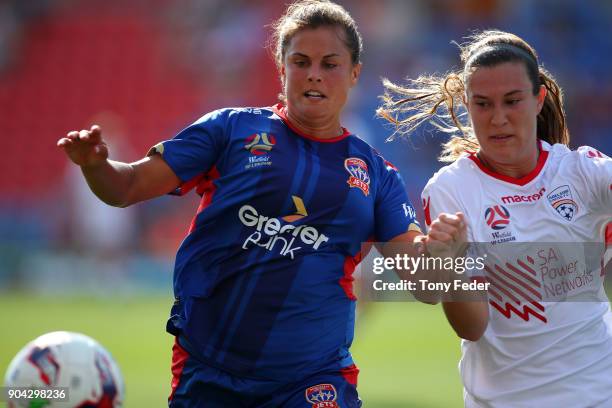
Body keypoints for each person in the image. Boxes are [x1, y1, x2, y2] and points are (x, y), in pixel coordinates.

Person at [57, 1, 478, 407]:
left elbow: (425, 285)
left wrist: (444, 254)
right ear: (282, 68)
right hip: (208, 370)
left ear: (354, 73)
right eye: (301, 62)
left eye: (330, 64)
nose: (314, 75)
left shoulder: (376, 176)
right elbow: (126, 187)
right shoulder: (230, 130)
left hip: (314, 381)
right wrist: (96, 166)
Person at [378, 29, 612, 407]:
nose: (498, 118)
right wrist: (447, 264)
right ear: (468, 106)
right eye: (483, 104)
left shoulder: (583, 172)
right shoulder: (452, 190)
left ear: (538, 99)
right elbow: (472, 327)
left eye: (512, 101)